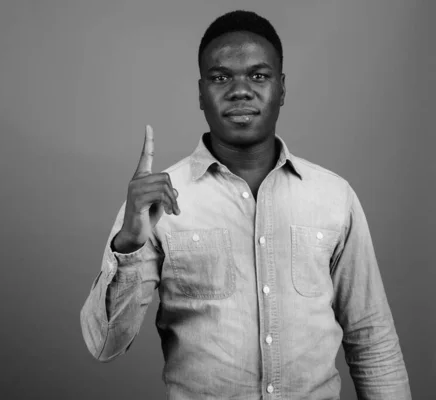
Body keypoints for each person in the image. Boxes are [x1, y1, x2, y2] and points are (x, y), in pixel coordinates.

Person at [80, 10, 411, 400]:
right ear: (201, 92)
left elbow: (371, 337)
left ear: (282, 88)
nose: (240, 90)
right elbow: (104, 345)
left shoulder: (334, 197)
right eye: (221, 77)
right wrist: (130, 243)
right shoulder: (155, 202)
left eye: (258, 75)